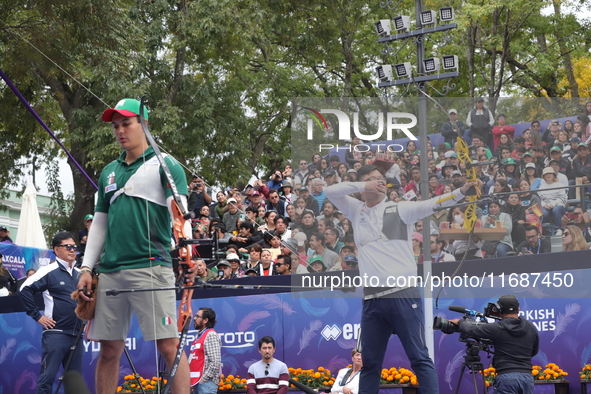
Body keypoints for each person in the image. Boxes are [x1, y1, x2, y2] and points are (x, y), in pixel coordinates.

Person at [325, 164, 478, 394]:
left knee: (419, 358)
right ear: (364, 187)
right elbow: (330, 192)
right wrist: (361, 185)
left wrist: (461, 191)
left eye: (382, 179)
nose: (380, 183)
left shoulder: (399, 208)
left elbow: (433, 204)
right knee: (370, 364)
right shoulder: (356, 209)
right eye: (374, 180)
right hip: (372, 300)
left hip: (403, 295)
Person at [77, 98, 193, 394]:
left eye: (126, 123)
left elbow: (178, 211)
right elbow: (100, 222)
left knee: (169, 346)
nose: (120, 130)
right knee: (109, 350)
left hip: (152, 265)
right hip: (112, 270)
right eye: (115, 126)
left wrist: (187, 252)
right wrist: (87, 267)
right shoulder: (108, 172)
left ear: (144, 124)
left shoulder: (166, 164)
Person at [20, 232, 85, 394]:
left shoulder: (79, 273)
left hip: (77, 335)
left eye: (74, 247)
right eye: (68, 247)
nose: (72, 250)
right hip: (56, 334)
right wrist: (37, 315)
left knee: (75, 383)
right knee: (47, 378)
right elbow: (24, 289)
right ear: (56, 250)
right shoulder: (48, 270)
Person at [450, 295, 539, 394]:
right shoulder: (531, 327)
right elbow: (534, 351)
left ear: (498, 310)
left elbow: (471, 330)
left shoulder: (497, 327)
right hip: (527, 378)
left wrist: (460, 322)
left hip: (506, 377)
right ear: (518, 309)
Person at [189, 308, 222, 394]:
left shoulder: (210, 334)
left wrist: (203, 379)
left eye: (197, 316)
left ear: (205, 320)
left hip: (206, 384)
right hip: (197, 383)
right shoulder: (198, 336)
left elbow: (215, 361)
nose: (194, 318)